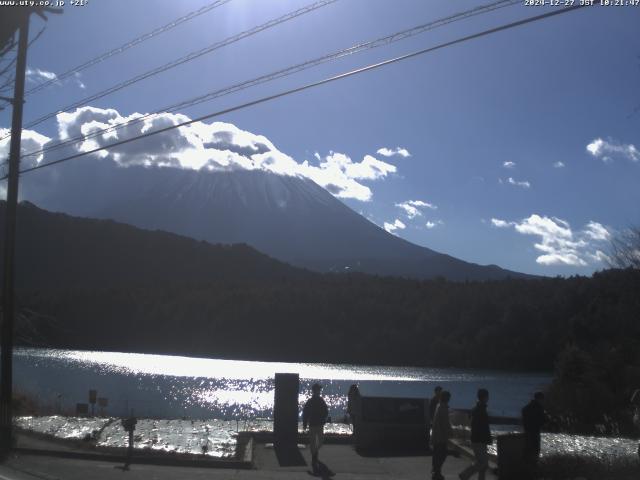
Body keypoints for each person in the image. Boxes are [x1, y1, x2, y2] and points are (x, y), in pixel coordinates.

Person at [459, 389, 492, 480]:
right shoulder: (480, 409)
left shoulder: (478, 408)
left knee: (482, 463)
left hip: (478, 439)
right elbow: (481, 427)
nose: (488, 398)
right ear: (485, 397)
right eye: (487, 396)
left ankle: (479, 478)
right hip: (479, 440)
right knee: (483, 463)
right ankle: (465, 474)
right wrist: (486, 438)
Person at [303, 383, 329, 475]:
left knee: (320, 441)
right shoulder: (311, 401)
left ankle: (314, 454)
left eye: (319, 390)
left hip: (318, 424)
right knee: (313, 442)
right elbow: (305, 413)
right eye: (318, 390)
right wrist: (305, 423)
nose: (319, 391)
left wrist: (324, 418)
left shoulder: (320, 400)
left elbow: (326, 411)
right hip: (313, 424)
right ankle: (314, 457)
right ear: (315, 391)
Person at [522, 392, 547, 477]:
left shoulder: (527, 408)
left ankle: (527, 474)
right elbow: (543, 421)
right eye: (542, 399)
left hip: (527, 434)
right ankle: (533, 474)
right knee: (535, 455)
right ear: (540, 399)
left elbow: (524, 414)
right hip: (535, 434)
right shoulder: (539, 409)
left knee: (528, 455)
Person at [431, 390, 452, 480]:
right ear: (446, 398)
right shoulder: (443, 408)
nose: (449, 399)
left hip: (436, 435)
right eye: (448, 397)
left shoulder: (439, 406)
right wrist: (450, 432)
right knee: (442, 454)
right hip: (440, 437)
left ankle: (436, 471)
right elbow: (445, 423)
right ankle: (436, 472)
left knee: (437, 454)